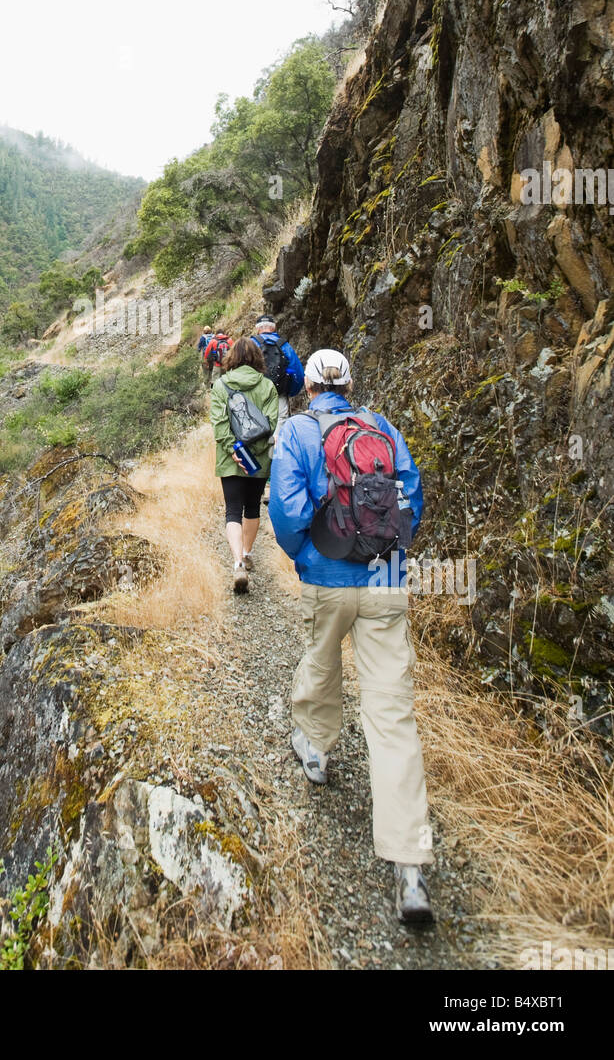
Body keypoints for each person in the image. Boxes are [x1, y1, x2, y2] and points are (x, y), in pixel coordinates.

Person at [268, 348, 433, 925]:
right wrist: (390, 553)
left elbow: (287, 514)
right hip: (386, 578)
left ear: (308, 386)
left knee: (321, 657)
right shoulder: (381, 426)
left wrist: (306, 558)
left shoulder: (295, 431)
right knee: (392, 713)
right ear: (351, 383)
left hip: (327, 575)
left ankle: (315, 748)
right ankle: (410, 869)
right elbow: (411, 496)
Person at [210, 336, 278, 593]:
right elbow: (270, 425)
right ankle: (247, 552)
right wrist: (255, 452)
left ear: (232, 358)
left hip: (231, 461)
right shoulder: (268, 386)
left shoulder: (220, 385)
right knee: (252, 508)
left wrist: (234, 450)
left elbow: (219, 424)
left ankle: (237, 561)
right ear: (257, 358)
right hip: (258, 461)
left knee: (232, 511)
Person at [250, 315, 304, 436]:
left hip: (255, 395)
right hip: (279, 394)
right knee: (280, 425)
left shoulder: (251, 344)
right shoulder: (284, 345)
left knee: (257, 423)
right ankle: (277, 452)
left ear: (257, 329)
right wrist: (290, 391)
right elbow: (298, 374)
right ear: (274, 328)